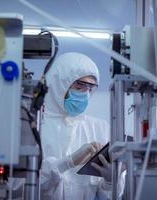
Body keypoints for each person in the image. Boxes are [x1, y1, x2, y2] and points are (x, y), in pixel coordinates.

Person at [40, 52, 117, 200]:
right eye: (79, 86)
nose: (86, 94)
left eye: (90, 88)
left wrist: (110, 181)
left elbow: (108, 196)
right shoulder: (37, 126)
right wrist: (68, 162)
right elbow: (22, 188)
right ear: (59, 84)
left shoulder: (100, 128)